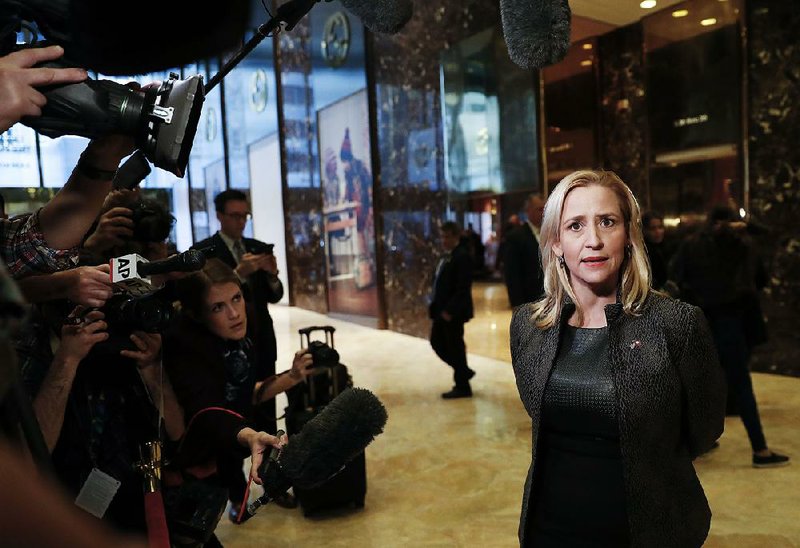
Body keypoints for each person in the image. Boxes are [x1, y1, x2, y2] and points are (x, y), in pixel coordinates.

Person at [510, 170, 726, 547]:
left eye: (607, 222)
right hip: (550, 529)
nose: (593, 240)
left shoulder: (678, 324)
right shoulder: (529, 326)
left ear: (628, 235)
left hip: (647, 532)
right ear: (556, 242)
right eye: (575, 226)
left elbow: (704, 430)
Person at [15, 196, 185, 535]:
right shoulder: (33, 344)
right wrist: (68, 359)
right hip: (69, 510)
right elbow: (31, 456)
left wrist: (153, 373)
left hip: (139, 498)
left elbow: (179, 435)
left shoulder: (140, 327)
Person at [164, 259, 313, 527]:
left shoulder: (242, 334)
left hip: (228, 441)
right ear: (197, 315)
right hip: (196, 460)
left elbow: (247, 394)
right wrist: (249, 434)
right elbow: (209, 412)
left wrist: (292, 377)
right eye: (218, 307)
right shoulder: (185, 351)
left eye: (236, 298)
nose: (235, 314)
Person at [671, 205, 789, 468]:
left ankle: (698, 442)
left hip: (700, 323)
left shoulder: (692, 245)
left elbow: (677, 276)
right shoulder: (742, 247)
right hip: (731, 324)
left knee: (698, 383)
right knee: (740, 385)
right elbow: (761, 278)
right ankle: (760, 450)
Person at [194, 190, 283, 432]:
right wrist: (238, 274)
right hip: (223, 346)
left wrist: (273, 275)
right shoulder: (203, 251)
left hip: (262, 338)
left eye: (245, 216)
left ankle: (269, 463)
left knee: (267, 411)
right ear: (220, 216)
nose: (241, 222)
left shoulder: (257, 247)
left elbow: (275, 294)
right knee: (230, 412)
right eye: (234, 216)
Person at [429, 221, 475, 399]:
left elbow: (463, 288)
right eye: (442, 236)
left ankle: (462, 385)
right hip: (442, 311)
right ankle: (463, 372)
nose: (443, 240)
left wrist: (450, 310)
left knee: (454, 347)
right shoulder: (449, 255)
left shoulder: (461, 256)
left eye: (447, 236)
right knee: (438, 342)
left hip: (452, 313)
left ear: (455, 236)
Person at [504, 194, 546, 308]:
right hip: (529, 300)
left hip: (550, 300)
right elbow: (512, 275)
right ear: (528, 211)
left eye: (545, 209)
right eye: (539, 209)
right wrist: (518, 306)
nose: (543, 213)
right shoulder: (516, 237)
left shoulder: (550, 234)